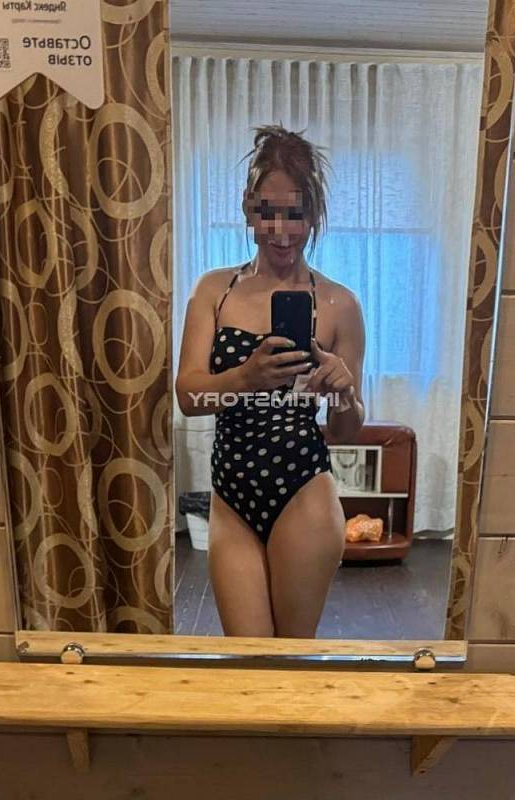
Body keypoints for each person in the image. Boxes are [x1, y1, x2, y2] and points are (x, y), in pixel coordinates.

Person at [176, 124, 366, 638]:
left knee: (291, 659)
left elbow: (345, 431)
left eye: (295, 214)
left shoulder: (340, 304)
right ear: (247, 209)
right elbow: (189, 396)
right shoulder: (214, 291)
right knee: (247, 660)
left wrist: (344, 393)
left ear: (314, 214)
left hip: (303, 489)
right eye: (267, 211)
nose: (280, 230)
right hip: (230, 493)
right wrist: (246, 376)